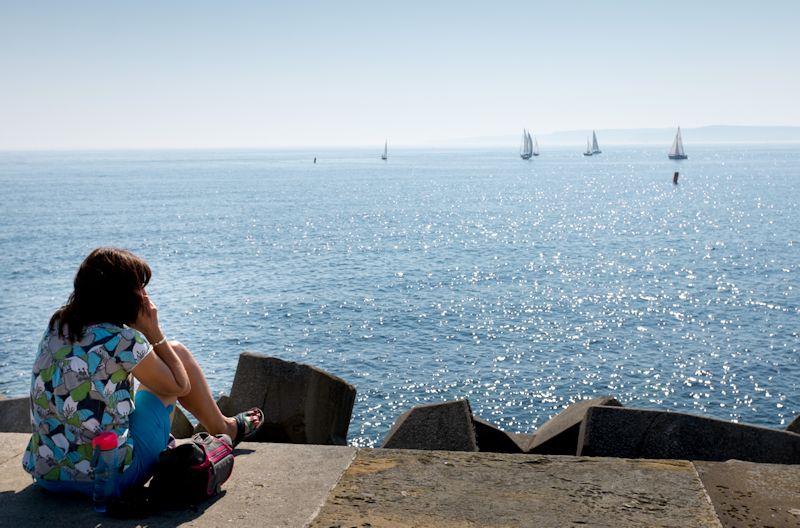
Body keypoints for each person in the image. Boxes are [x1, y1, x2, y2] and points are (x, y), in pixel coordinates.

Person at [22, 247, 264, 497]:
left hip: (49, 475)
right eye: (140, 287)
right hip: (109, 480)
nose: (145, 295)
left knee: (136, 382)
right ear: (122, 295)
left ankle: (223, 426)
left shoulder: (58, 325)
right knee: (175, 354)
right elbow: (181, 386)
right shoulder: (123, 340)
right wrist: (154, 333)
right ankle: (225, 429)